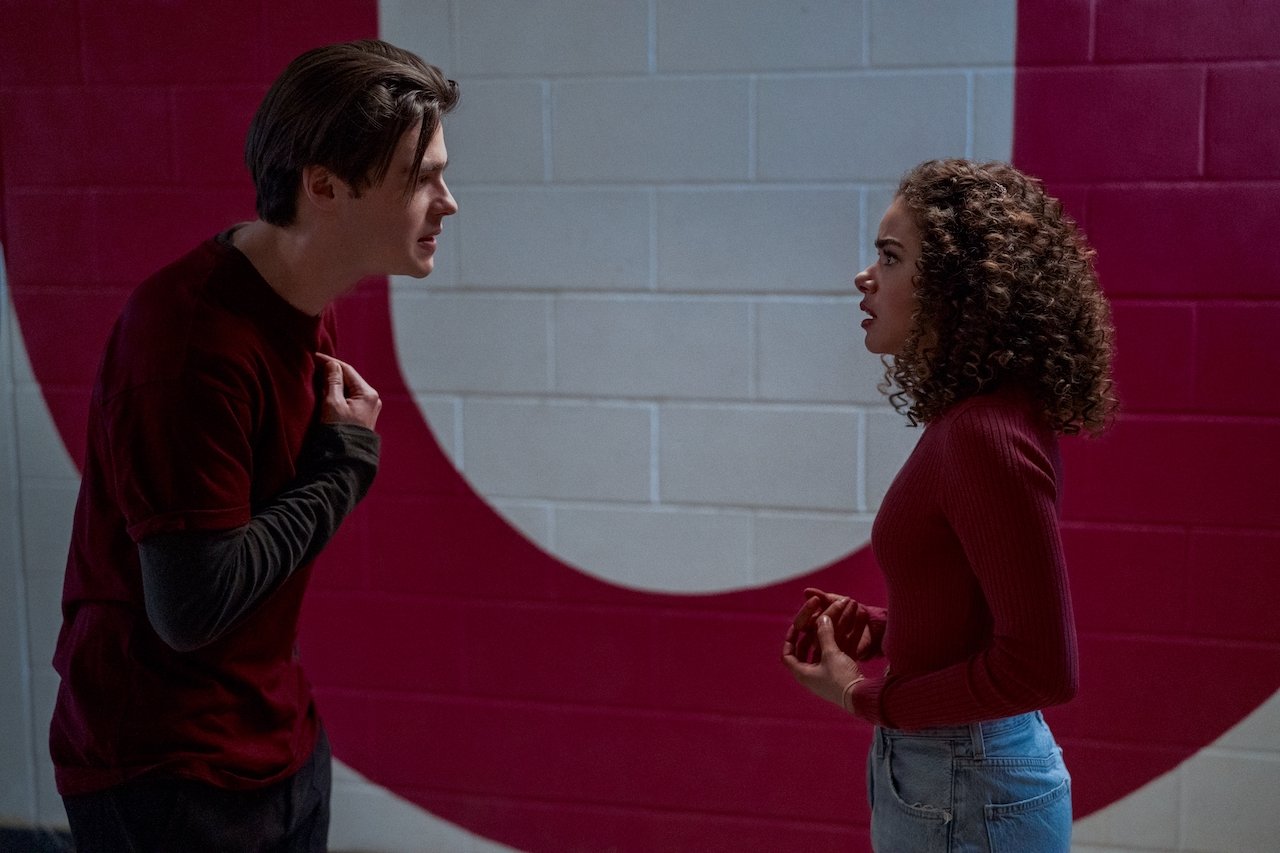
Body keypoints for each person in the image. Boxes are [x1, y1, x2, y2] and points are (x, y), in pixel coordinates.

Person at [49, 39, 459, 852]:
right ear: (324, 187)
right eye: (420, 178)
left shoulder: (299, 297)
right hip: (169, 776)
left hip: (277, 738)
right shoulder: (190, 346)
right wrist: (340, 473)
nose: (448, 202)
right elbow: (192, 607)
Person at [782, 159, 1116, 852]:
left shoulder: (981, 434)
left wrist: (862, 695)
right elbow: (980, 616)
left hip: (965, 783)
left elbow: (1041, 666)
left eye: (890, 257)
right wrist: (887, 629)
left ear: (957, 290)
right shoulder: (977, 420)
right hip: (956, 777)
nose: (864, 276)